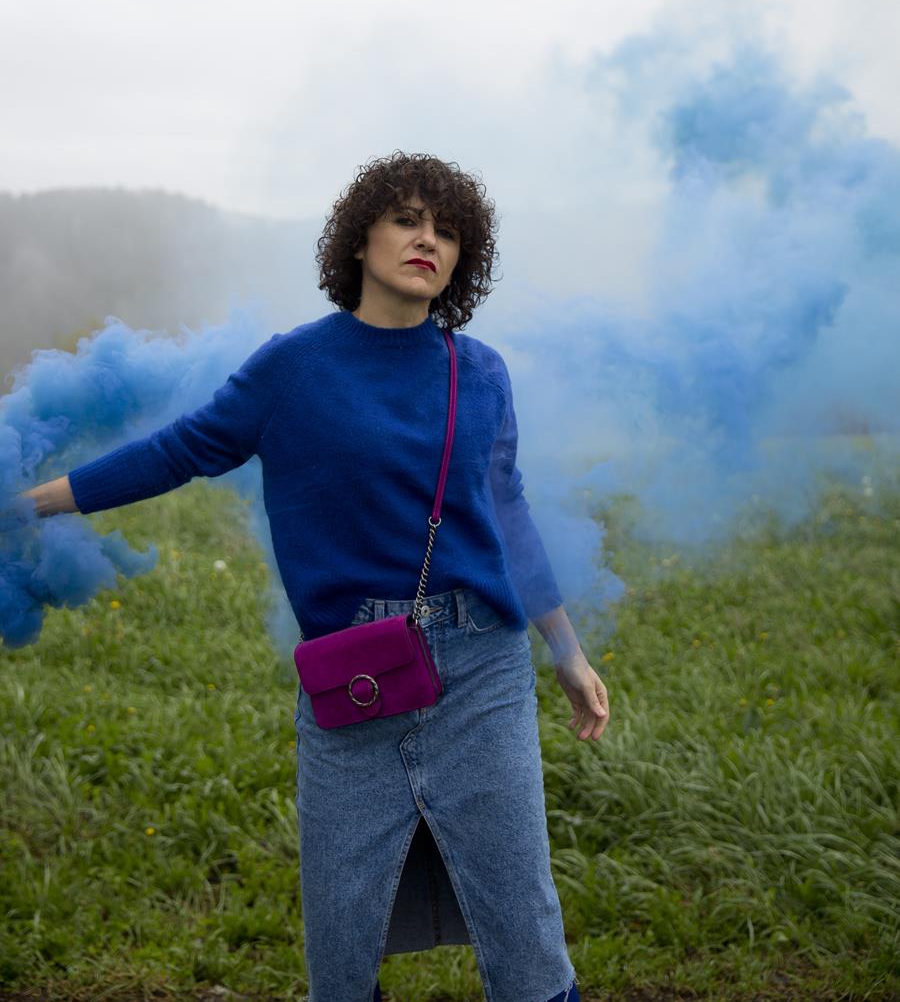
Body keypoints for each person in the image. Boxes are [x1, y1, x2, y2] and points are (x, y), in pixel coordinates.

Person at [23, 150, 609, 1002]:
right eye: (407, 219)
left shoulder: (478, 371)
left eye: (447, 231)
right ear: (361, 237)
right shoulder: (293, 367)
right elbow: (178, 452)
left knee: (525, 926)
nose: (427, 241)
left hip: (483, 668)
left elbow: (509, 512)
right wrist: (28, 506)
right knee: (342, 942)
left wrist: (568, 649)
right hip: (354, 676)